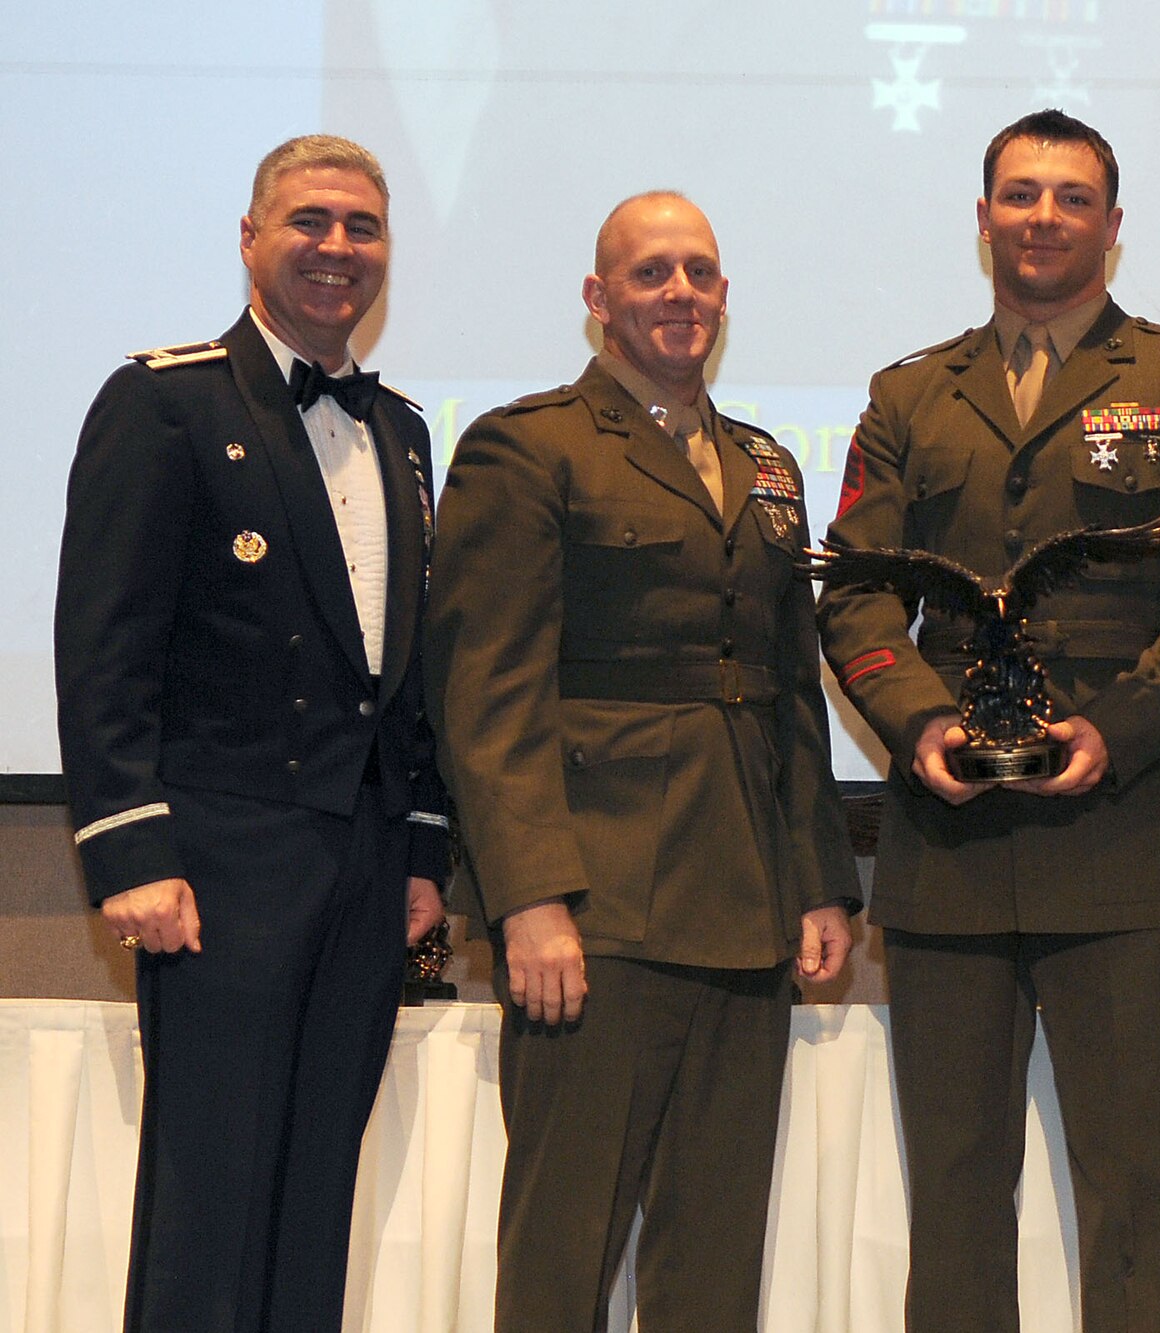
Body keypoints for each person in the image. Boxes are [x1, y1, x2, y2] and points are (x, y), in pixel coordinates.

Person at [817, 108, 1160, 1331]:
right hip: (947, 845)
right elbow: (857, 587)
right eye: (1019, 196)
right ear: (981, 220)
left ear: (1112, 228)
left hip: (1121, 839)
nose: (1042, 218)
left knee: (1137, 1190)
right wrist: (919, 726)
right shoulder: (909, 392)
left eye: (1070, 198)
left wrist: (1121, 729)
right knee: (955, 1191)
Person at [424, 190, 860, 1333]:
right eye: (651, 272)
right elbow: (488, 692)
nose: (681, 294)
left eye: (700, 273)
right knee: (565, 1243)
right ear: (597, 298)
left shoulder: (763, 463)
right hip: (597, 903)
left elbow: (787, 686)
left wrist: (816, 879)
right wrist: (529, 901)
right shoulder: (527, 447)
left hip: (742, 896)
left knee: (712, 1251)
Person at [53, 134, 448, 1332]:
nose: (338, 249)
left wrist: (424, 849)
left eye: (362, 227)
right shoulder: (164, 401)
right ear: (250, 237)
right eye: (310, 221)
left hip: (364, 866)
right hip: (217, 865)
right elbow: (106, 642)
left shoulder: (406, 430)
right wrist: (130, 849)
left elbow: (410, 666)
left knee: (315, 1192)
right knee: (208, 1201)